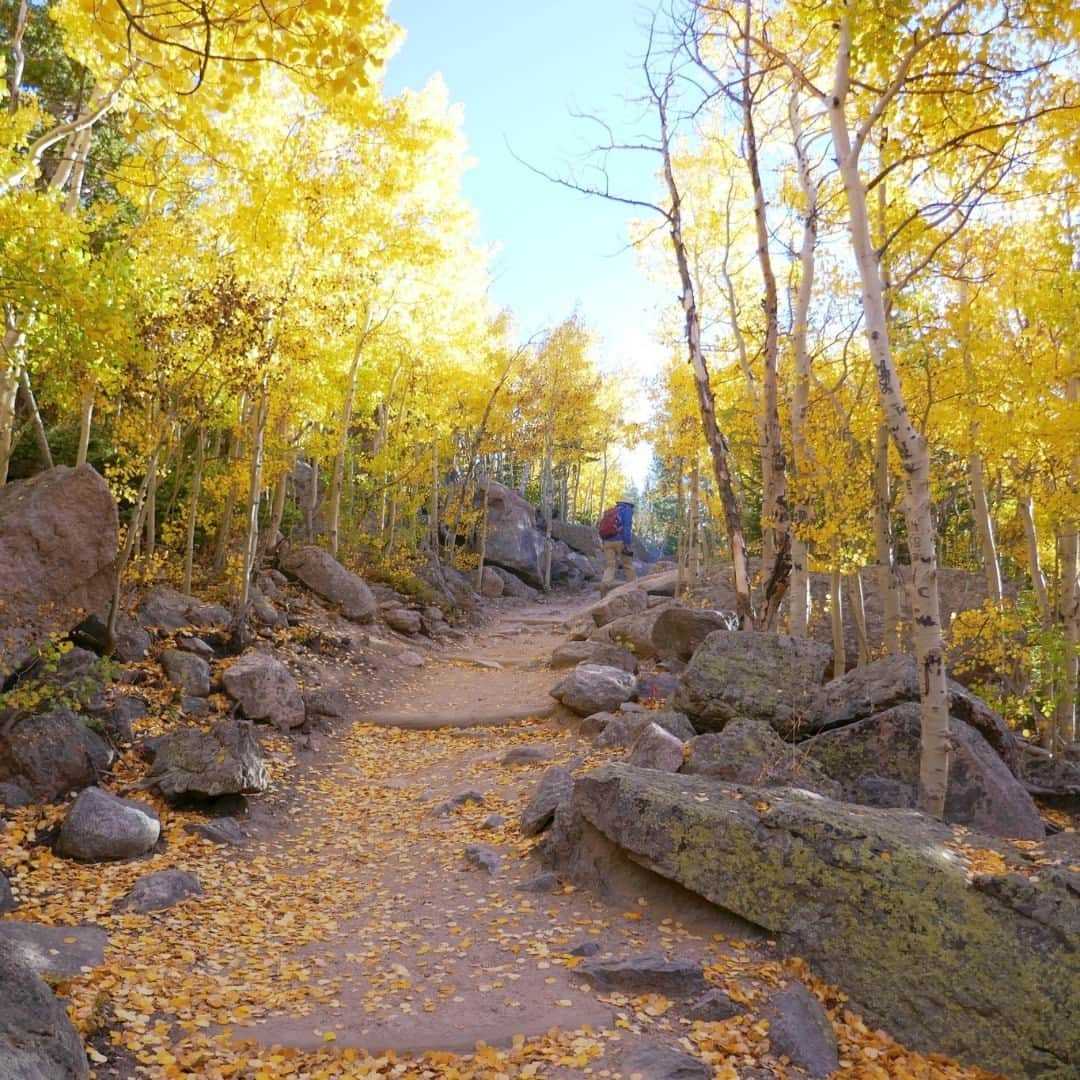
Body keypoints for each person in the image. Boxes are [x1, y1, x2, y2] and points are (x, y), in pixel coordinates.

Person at [600, 497, 636, 585]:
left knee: (610, 566)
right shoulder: (627, 510)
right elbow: (627, 528)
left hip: (607, 542)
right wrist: (627, 544)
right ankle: (633, 589)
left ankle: (604, 589)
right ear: (629, 504)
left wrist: (603, 542)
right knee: (628, 566)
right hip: (620, 541)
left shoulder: (611, 511)